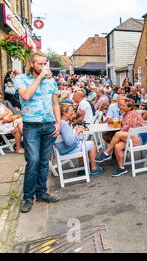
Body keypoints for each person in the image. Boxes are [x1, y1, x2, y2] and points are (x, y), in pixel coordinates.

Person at [15, 52, 61, 213]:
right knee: (33, 160)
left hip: (48, 125)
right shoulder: (21, 79)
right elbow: (26, 96)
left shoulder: (51, 81)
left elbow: (55, 103)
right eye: (40, 64)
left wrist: (58, 122)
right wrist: (40, 77)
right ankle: (28, 197)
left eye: (44, 63)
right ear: (32, 64)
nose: (43, 67)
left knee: (43, 161)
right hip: (31, 126)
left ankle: (41, 193)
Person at [94, 98, 147, 177]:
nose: (121, 107)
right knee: (117, 146)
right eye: (121, 105)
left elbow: (125, 130)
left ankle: (107, 153)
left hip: (140, 137)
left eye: (123, 106)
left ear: (129, 107)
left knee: (118, 134)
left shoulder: (132, 113)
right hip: (132, 136)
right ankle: (122, 168)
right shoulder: (126, 113)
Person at [56, 103, 104, 176]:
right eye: (71, 111)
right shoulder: (64, 124)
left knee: (82, 143)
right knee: (91, 144)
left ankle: (82, 169)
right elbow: (69, 142)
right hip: (67, 150)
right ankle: (94, 169)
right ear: (64, 113)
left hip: (62, 149)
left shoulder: (59, 122)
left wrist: (75, 131)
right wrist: (77, 132)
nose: (73, 113)